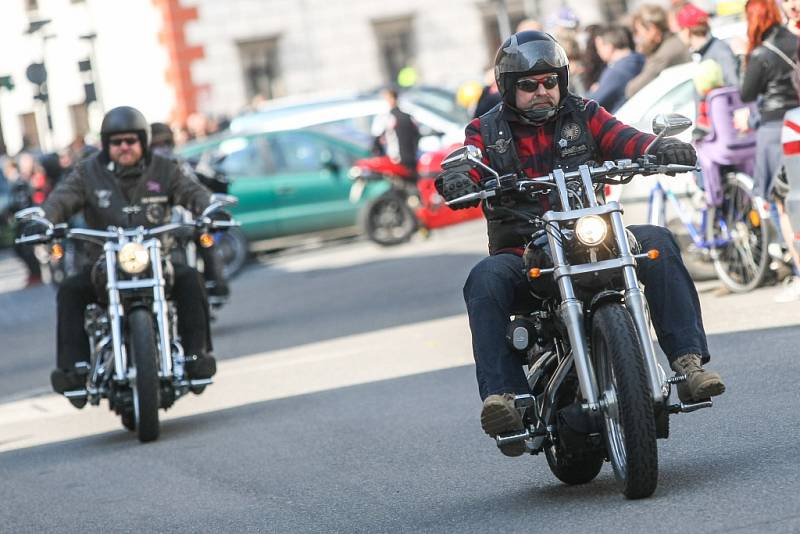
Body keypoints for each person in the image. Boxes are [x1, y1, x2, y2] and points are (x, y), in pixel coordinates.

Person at [434, 31, 725, 456]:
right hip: (525, 250)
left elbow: (629, 139)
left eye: (549, 82)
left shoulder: (585, 114)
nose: (542, 92)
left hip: (594, 239)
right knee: (484, 279)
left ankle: (687, 363)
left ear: (562, 81)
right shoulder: (486, 129)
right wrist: (460, 176)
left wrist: (662, 149)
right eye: (530, 85)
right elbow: (470, 160)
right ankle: (507, 397)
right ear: (509, 87)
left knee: (658, 243)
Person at [40, 106, 218, 406]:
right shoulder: (88, 172)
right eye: (117, 142)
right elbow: (61, 198)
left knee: (190, 279)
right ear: (107, 145)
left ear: (143, 142)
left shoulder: (165, 169)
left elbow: (193, 192)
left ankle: (195, 356)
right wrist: (43, 219)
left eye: (131, 141)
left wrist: (211, 208)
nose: (124, 147)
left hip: (156, 259)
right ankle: (74, 371)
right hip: (103, 264)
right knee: (70, 290)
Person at [149, 121, 230, 299]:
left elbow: (195, 188)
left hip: (188, 219)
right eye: (155, 144)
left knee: (206, 240)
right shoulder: (146, 171)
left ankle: (217, 284)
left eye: (164, 143)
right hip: (162, 225)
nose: (160, 149)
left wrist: (209, 206)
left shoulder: (181, 164)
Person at [625, 4, 691, 98]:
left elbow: (632, 90)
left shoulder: (662, 55)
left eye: (638, 31)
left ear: (652, 29)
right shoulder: (672, 42)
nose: (637, 38)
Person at [675, 3, 739, 86]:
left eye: (680, 29)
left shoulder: (720, 52)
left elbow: (734, 86)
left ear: (687, 31)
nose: (678, 35)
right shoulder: (705, 52)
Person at [589, 24, 645, 112]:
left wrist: (595, 91)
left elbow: (592, 102)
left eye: (599, 47)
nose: (598, 52)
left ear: (609, 46)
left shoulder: (617, 71)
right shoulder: (640, 58)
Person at [373, 88, 421, 180]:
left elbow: (376, 142)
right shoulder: (408, 116)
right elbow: (417, 136)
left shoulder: (386, 118)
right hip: (411, 159)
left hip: (396, 161)